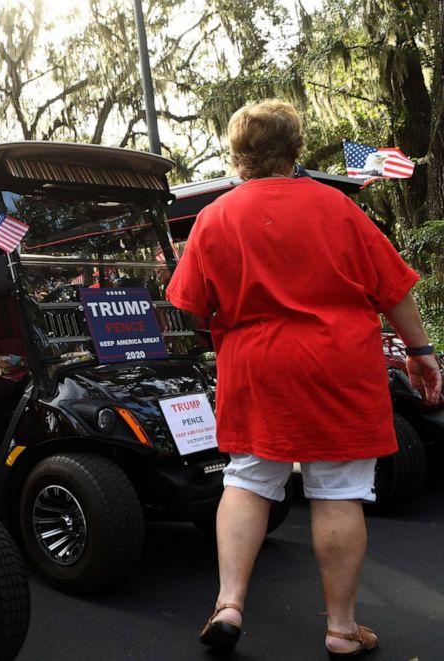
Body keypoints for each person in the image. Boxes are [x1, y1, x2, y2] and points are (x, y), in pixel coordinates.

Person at [166, 99, 442, 657]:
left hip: (256, 365)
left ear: (238, 155)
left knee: (247, 481)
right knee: (337, 491)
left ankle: (229, 605)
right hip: (338, 363)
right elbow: (393, 290)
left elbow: (191, 308)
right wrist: (421, 351)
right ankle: (341, 629)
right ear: (295, 150)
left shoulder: (214, 217)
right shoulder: (338, 208)